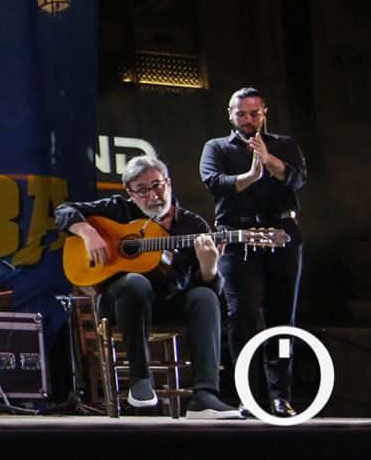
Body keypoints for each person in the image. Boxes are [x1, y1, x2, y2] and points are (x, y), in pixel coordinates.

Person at [56, 155, 243, 419]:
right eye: (142, 190)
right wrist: (88, 233)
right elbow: (63, 211)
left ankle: (205, 396)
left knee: (204, 298)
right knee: (135, 283)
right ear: (130, 193)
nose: (153, 195)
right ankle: (140, 380)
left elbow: (212, 292)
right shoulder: (118, 209)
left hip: (166, 304)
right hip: (120, 303)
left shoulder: (194, 226)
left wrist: (209, 268)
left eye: (157, 185)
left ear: (168, 183)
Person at [200, 87, 306, 417]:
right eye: (241, 113)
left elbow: (297, 180)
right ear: (229, 114)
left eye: (254, 113)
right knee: (243, 314)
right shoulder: (216, 147)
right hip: (237, 236)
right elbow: (214, 182)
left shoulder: (284, 144)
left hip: (281, 234)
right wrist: (250, 176)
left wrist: (268, 158)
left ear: (264, 113)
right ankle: (248, 394)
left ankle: (280, 395)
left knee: (281, 319)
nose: (248, 119)